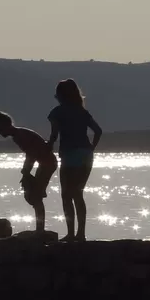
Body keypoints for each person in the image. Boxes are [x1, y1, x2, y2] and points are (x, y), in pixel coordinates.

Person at [47, 79, 102, 242]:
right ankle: (81, 234)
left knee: (66, 195)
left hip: (70, 155)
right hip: (86, 155)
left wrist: (47, 147)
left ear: (60, 95)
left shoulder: (57, 112)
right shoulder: (82, 111)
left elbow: (54, 135)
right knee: (78, 194)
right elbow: (98, 131)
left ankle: (71, 234)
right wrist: (91, 148)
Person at [0, 109, 58, 233]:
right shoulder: (17, 135)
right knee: (33, 195)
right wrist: (25, 172)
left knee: (35, 195)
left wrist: (26, 171)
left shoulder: (20, 135)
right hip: (44, 163)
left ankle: (40, 230)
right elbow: (30, 154)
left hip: (48, 163)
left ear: (6, 125)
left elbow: (32, 154)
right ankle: (39, 229)